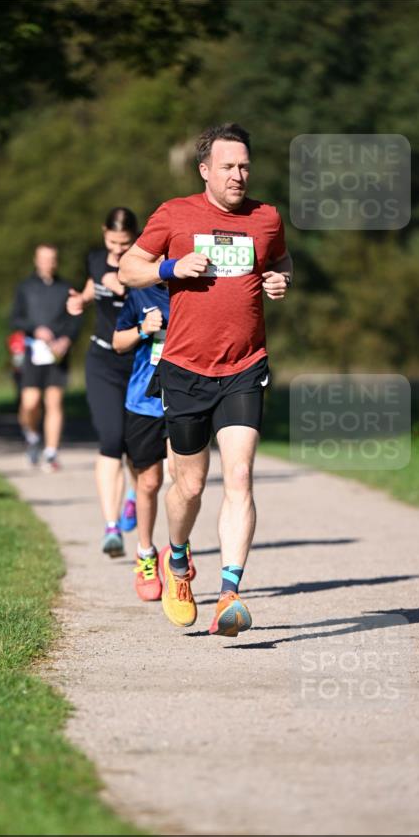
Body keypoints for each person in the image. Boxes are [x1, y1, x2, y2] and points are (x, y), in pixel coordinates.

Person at [119, 123, 292, 637]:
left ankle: (231, 593)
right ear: (205, 170)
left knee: (239, 476)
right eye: (228, 167)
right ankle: (177, 561)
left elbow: (279, 259)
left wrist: (283, 279)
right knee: (189, 486)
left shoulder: (266, 217)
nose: (238, 176)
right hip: (185, 368)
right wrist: (172, 265)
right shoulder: (174, 214)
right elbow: (131, 268)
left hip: (245, 365)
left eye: (244, 167)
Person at [113, 279, 197, 602]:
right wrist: (144, 328)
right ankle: (145, 554)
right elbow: (118, 343)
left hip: (184, 399)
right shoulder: (140, 292)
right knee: (148, 482)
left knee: (184, 478)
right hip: (143, 402)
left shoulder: (196, 290)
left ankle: (178, 546)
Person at [67, 207, 139, 556]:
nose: (118, 250)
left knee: (136, 442)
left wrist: (125, 279)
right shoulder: (96, 259)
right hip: (102, 360)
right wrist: (78, 301)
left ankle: (134, 495)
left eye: (125, 243)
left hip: (138, 361)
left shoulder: (145, 261)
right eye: (113, 242)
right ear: (103, 235)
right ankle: (111, 527)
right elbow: (89, 288)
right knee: (111, 438)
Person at [10, 243, 81, 471]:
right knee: (30, 403)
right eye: (43, 258)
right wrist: (35, 329)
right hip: (32, 351)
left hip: (57, 353)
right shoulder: (25, 287)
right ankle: (32, 437)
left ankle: (51, 452)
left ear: (56, 261)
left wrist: (66, 339)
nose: (47, 263)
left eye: (51, 258)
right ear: (36, 260)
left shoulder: (66, 287)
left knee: (54, 402)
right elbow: (15, 319)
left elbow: (75, 318)